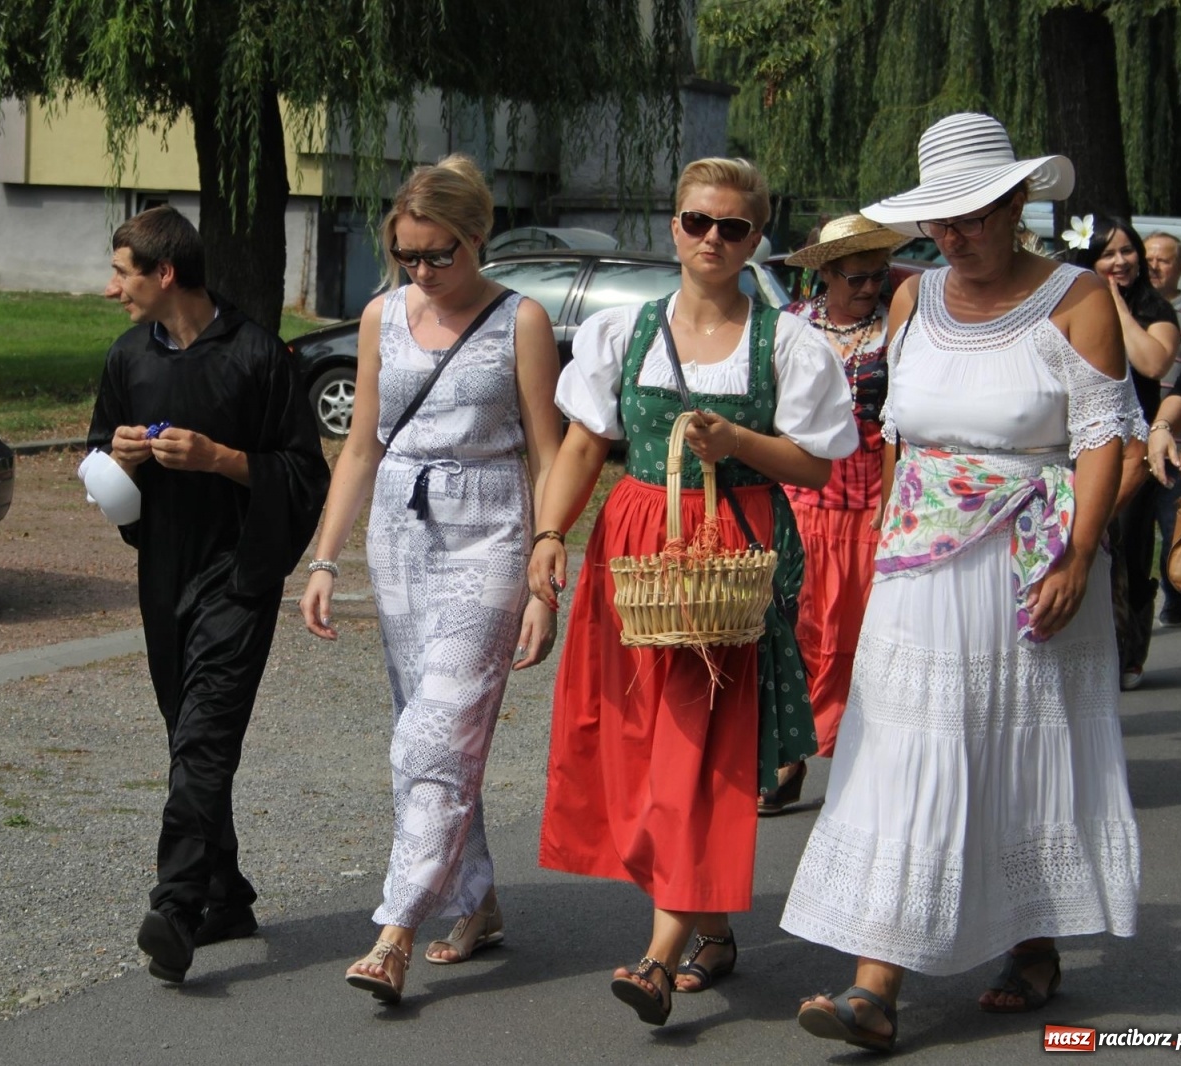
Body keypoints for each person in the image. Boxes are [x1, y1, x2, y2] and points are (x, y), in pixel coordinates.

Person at [782, 112, 1142, 1053]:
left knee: (1015, 752)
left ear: (1017, 201)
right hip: (920, 560)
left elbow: (1107, 439)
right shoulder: (910, 301)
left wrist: (1079, 557)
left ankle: (1031, 940)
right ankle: (876, 985)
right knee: (908, 753)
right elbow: (901, 440)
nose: (954, 234)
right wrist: (885, 550)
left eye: (973, 213)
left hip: (1030, 563)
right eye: (939, 219)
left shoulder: (1077, 299)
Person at [527, 157, 857, 1027]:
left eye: (734, 227)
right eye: (697, 221)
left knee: (703, 748)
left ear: (758, 235)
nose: (713, 239)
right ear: (674, 226)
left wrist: (739, 441)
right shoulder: (619, 332)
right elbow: (581, 447)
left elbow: (818, 464)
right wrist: (550, 537)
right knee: (644, 744)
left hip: (736, 556)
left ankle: (658, 954)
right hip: (636, 552)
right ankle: (709, 927)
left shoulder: (786, 342)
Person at [298, 154, 562, 1004]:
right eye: (408, 255)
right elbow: (362, 445)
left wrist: (545, 573)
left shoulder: (521, 320)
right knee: (434, 724)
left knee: (434, 734)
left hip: (489, 530)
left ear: (478, 238)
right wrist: (325, 559)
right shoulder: (382, 315)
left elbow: (549, 452)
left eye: (438, 254)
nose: (422, 271)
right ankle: (477, 900)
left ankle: (395, 929)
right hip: (400, 536)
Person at [84, 206, 330, 984]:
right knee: (185, 734)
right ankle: (226, 897)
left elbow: (304, 477)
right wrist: (116, 457)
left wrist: (222, 458)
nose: (110, 287)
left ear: (164, 275)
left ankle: (177, 906)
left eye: (121, 271)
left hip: (239, 573)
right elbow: (98, 465)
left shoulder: (260, 356)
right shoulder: (128, 360)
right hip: (162, 573)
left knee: (202, 738)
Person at [769, 215, 910, 813]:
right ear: (824, 273)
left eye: (879, 276)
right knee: (794, 630)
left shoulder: (899, 327)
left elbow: (907, 418)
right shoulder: (790, 327)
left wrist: (893, 492)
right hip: (801, 495)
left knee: (865, 636)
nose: (870, 288)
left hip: (870, 502)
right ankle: (789, 756)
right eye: (856, 276)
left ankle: (864, 760)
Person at [1066, 217, 1179, 687]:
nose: (1120, 261)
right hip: (1086, 444)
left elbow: (1153, 360)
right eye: (1108, 254)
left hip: (1140, 447)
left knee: (1132, 548)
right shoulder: (1070, 307)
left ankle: (1132, 650)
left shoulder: (1155, 311)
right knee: (1090, 545)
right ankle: (1096, 644)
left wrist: (1112, 302)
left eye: (1127, 251)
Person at [1144, 230, 1181, 626]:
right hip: (1137, 439)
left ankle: (1176, 592)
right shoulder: (1132, 311)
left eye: (1164, 259)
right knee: (1134, 534)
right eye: (1149, 258)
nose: (1154, 266)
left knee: (1173, 525)